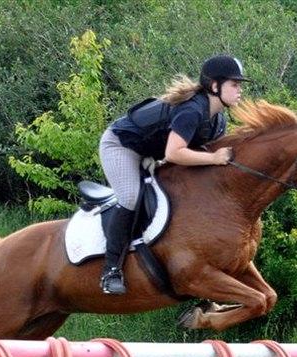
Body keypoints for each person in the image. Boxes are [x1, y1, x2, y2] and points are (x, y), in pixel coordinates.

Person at [98, 54, 250, 295]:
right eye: (235, 84)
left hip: (150, 152)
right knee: (130, 197)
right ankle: (111, 271)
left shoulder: (217, 120)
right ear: (215, 86)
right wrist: (213, 158)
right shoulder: (192, 111)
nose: (239, 90)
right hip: (122, 146)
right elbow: (175, 153)